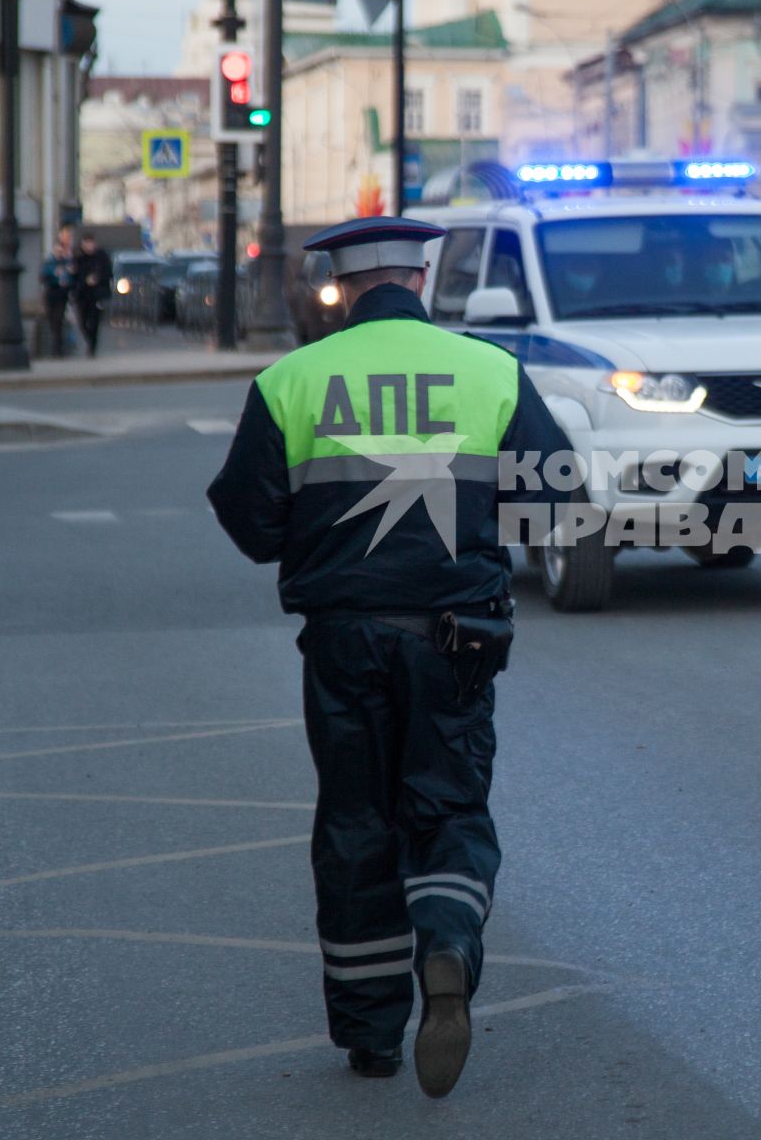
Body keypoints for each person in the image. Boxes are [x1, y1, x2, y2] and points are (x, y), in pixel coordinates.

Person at [207, 215, 575, 1097]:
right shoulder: (489, 371)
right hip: (456, 639)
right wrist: (476, 539)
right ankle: (446, 943)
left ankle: (371, 1031)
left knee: (356, 821)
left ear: (340, 288)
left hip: (342, 640)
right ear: (420, 278)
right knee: (448, 807)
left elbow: (250, 523)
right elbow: (554, 490)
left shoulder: (290, 380)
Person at [73, 231, 114, 357]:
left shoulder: (101, 257)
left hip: (97, 294)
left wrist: (97, 279)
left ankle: (92, 347)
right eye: (87, 244)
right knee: (83, 322)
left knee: (95, 320)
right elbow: (75, 275)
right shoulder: (79, 258)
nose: (89, 246)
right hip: (83, 294)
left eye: (91, 243)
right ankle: (89, 340)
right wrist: (84, 281)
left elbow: (108, 273)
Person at [40, 230, 76, 358]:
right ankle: (56, 347)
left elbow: (71, 279)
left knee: (58, 320)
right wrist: (54, 274)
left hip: (62, 294)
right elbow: (43, 276)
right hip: (51, 293)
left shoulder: (67, 263)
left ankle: (57, 349)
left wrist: (68, 276)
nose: (59, 253)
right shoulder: (50, 263)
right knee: (52, 320)